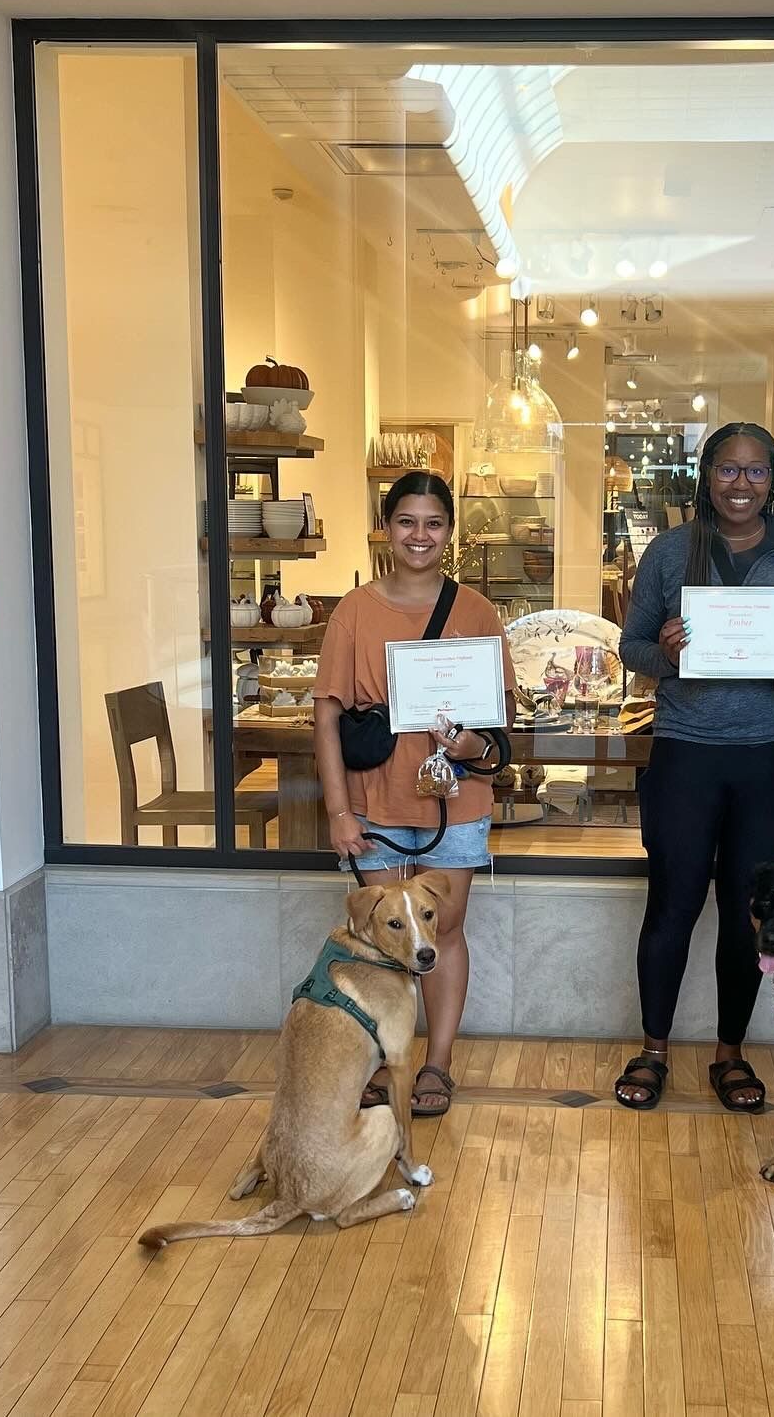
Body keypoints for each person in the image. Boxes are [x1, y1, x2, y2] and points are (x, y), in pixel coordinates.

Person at [613, 423, 774, 1113]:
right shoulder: (673, 551)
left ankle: (729, 1053)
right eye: (728, 471)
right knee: (672, 904)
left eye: (756, 472)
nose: (742, 484)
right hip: (686, 751)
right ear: (707, 476)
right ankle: (653, 1049)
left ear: (773, 479)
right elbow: (631, 647)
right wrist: (668, 651)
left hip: (766, 757)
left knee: (752, 916)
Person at [313, 470, 516, 1118]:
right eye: (406, 522)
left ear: (449, 531)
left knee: (444, 931)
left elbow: (499, 714)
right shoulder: (354, 609)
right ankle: (384, 1057)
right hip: (375, 797)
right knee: (381, 936)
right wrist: (339, 810)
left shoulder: (476, 608)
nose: (419, 535)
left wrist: (467, 745)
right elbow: (325, 714)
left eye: (432, 523)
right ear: (387, 527)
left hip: (454, 801)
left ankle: (436, 1063)